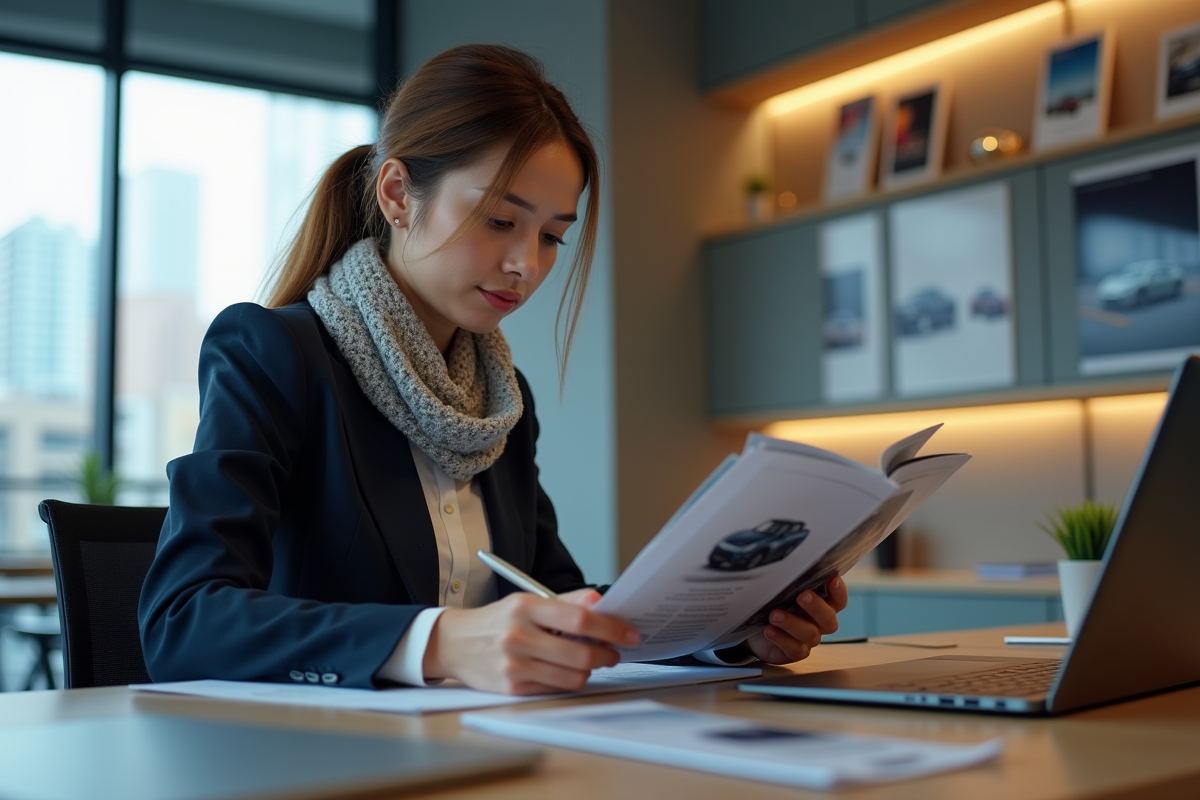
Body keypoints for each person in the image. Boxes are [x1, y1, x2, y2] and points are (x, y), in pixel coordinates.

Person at [138, 44, 847, 695]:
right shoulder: (275, 352)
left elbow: (556, 600)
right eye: (499, 221)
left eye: (551, 237)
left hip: (486, 750)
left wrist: (730, 633)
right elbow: (183, 618)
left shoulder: (501, 401)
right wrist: (441, 643)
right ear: (396, 194)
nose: (526, 265)